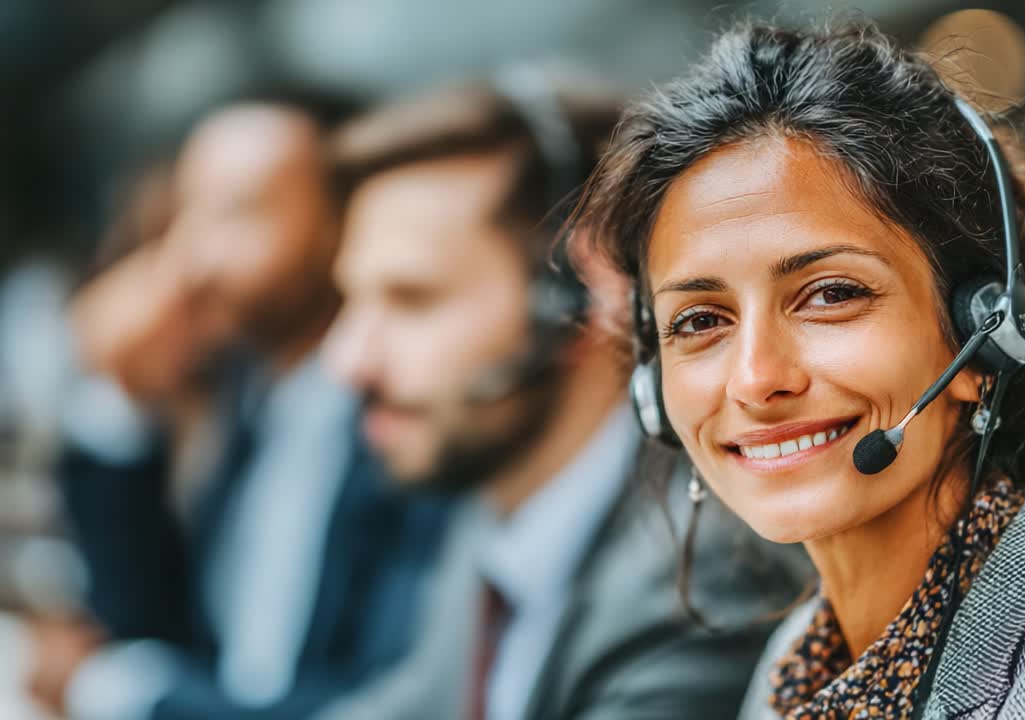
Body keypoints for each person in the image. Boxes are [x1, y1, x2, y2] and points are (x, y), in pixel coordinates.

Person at [570, 20, 1025, 719]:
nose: (756, 378)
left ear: (986, 334)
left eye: (831, 295)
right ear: (652, 392)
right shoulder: (797, 671)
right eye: (699, 321)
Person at [317, 68, 808, 720]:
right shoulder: (502, 501)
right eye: (351, 299)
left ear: (580, 299)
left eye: (412, 300)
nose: (346, 360)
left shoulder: (709, 578)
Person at [32, 99, 449, 719]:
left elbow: (380, 702)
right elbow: (150, 627)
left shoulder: (410, 421)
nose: (193, 259)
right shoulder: (249, 403)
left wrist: (121, 692)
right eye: (186, 213)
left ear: (337, 223)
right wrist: (121, 394)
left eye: (238, 213)